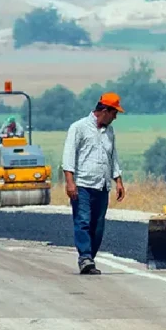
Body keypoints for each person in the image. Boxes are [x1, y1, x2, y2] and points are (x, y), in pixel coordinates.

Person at [62, 93, 126, 275]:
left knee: (97, 226)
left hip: (102, 186)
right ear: (104, 111)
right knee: (82, 221)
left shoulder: (110, 132)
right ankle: (85, 258)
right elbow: (69, 155)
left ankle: (89, 257)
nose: (116, 117)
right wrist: (70, 182)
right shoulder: (79, 128)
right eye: (114, 113)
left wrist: (118, 180)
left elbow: (113, 157)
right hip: (82, 185)